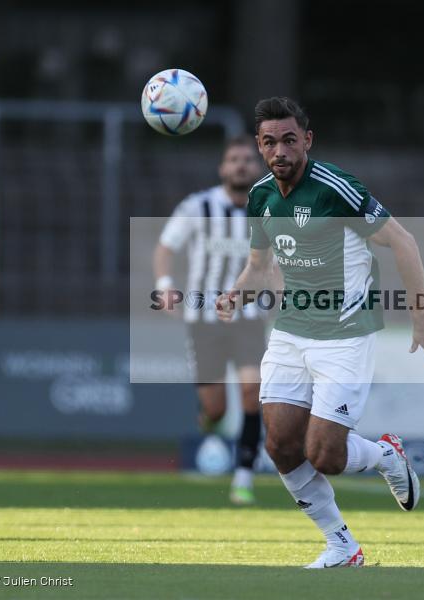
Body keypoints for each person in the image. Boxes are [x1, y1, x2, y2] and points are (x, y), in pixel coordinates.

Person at [217, 97, 424, 567]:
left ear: (307, 140)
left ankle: (385, 456)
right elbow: (258, 266)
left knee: (325, 454)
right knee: (280, 446)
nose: (280, 151)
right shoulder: (261, 197)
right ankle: (342, 546)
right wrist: (235, 295)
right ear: (260, 147)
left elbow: (402, 240)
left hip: (345, 336)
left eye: (289, 140)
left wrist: (421, 316)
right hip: (290, 333)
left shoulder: (335, 188)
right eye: (270, 142)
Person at [153, 136, 268, 505]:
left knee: (252, 390)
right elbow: (166, 247)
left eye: (247, 159)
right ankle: (209, 418)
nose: (241, 165)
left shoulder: (269, 209)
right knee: (216, 408)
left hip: (249, 316)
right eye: (234, 159)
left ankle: (244, 477)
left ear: (257, 167)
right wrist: (165, 285)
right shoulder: (198, 205)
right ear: (223, 168)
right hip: (204, 319)